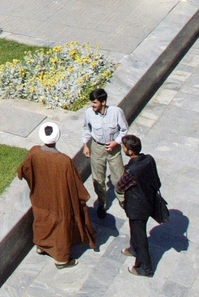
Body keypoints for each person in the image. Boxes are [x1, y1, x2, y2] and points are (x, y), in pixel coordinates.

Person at [17, 122, 97, 269]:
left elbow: (24, 171)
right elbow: (74, 183)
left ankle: (41, 246)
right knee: (61, 226)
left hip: (41, 197)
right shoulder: (64, 161)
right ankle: (61, 259)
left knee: (42, 220)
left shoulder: (34, 152)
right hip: (60, 201)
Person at [118, 134, 163, 277]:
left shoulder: (131, 171)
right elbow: (157, 181)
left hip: (136, 208)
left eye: (124, 147)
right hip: (148, 202)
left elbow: (120, 186)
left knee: (141, 235)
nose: (123, 149)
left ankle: (146, 267)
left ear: (130, 151)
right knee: (136, 230)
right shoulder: (149, 159)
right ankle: (134, 248)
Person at [82, 88, 127, 219]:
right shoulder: (89, 113)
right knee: (98, 178)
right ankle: (102, 202)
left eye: (95, 103)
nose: (92, 105)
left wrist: (116, 142)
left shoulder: (116, 112)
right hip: (97, 147)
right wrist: (85, 145)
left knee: (119, 176)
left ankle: (122, 199)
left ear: (103, 102)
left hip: (113, 148)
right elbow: (86, 129)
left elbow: (124, 130)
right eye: (92, 102)